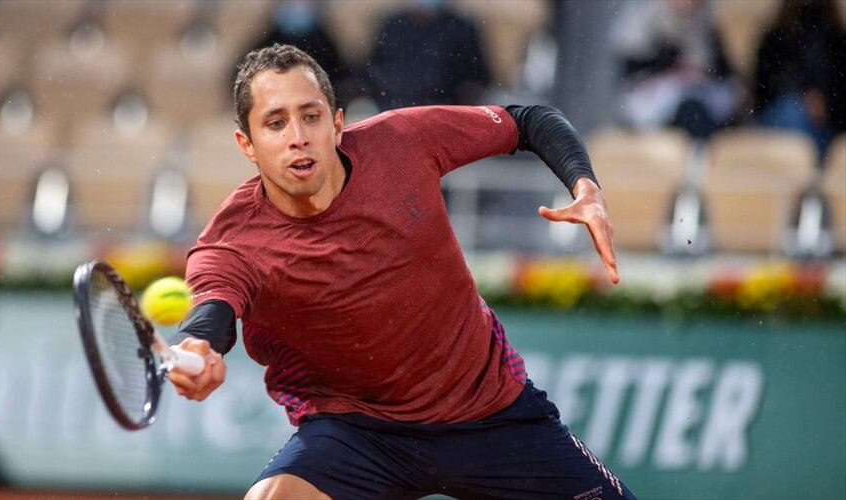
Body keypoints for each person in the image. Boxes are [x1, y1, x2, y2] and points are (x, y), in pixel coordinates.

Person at [168, 43, 633, 499]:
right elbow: (213, 311)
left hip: (491, 413)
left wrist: (584, 184)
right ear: (246, 144)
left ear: (337, 123)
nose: (298, 136)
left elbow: (529, 121)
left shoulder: (402, 141)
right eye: (275, 123)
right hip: (358, 432)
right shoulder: (233, 243)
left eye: (311, 116)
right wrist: (199, 346)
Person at [610, 0, 740, 139]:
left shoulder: (707, 20)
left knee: (697, 110)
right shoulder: (645, 18)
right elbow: (632, 70)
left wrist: (697, 70)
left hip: (697, 94)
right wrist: (671, 66)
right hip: (653, 98)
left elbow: (722, 72)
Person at [752, 0, 845, 161]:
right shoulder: (776, 35)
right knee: (792, 110)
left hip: (827, 123)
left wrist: (826, 104)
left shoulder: (837, 38)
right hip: (782, 115)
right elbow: (764, 87)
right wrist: (805, 97)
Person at [366, 0, 491, 110]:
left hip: (444, 111)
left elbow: (478, 77)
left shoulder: (461, 27)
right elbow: (373, 71)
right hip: (394, 108)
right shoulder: (393, 26)